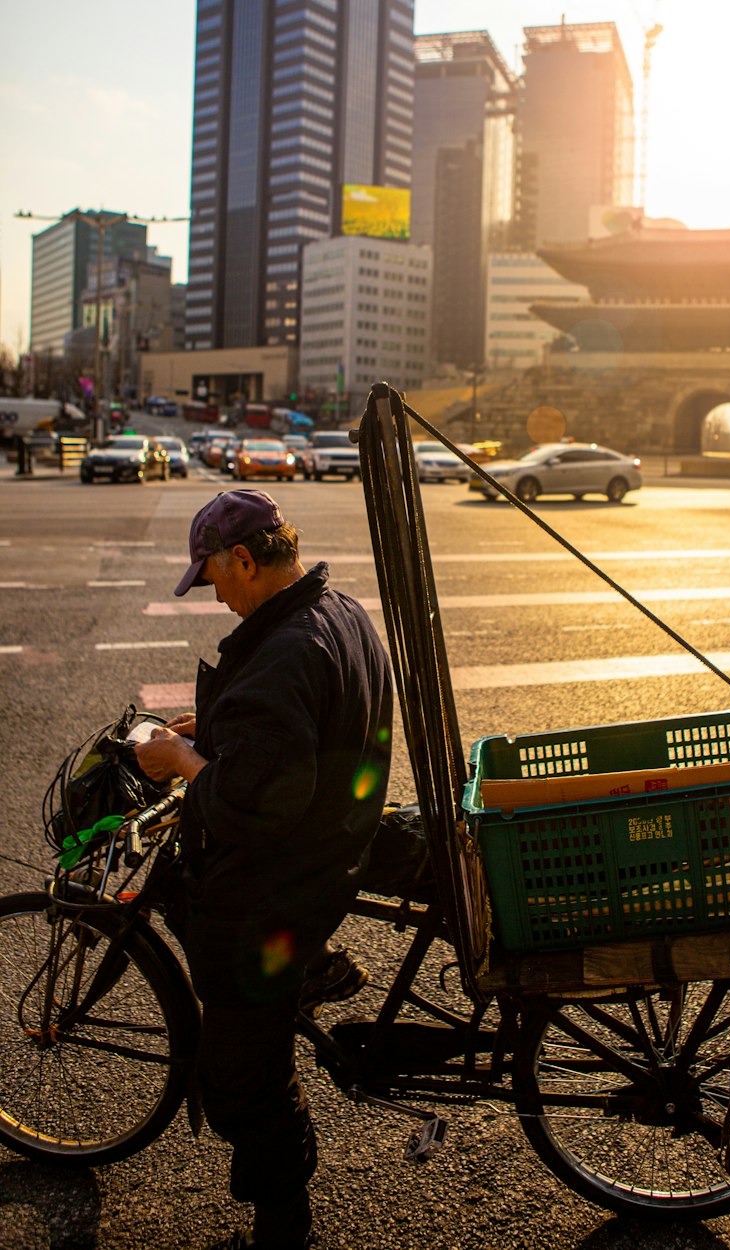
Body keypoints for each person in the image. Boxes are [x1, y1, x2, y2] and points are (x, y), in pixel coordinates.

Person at [135, 488, 392, 1250]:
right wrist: (208, 730)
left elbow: (260, 802)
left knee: (246, 1075)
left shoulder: (282, 650)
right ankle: (306, 964)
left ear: (245, 558)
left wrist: (183, 761)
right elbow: (291, 738)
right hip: (335, 842)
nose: (213, 593)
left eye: (213, 576)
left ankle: (285, 1221)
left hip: (288, 876)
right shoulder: (335, 609)